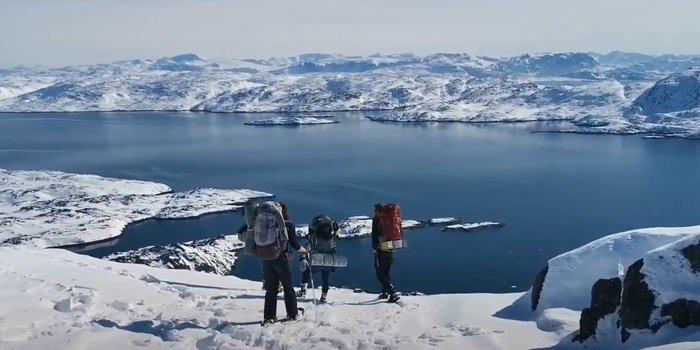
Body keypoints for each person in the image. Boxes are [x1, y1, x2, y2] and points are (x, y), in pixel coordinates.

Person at [251, 201, 310, 325]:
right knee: (288, 288)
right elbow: (295, 245)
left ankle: (269, 317)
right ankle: (293, 314)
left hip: (266, 259)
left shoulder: (259, 223)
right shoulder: (287, 225)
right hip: (282, 259)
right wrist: (304, 250)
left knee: (271, 290)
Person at [297, 214, 340, 303]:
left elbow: (309, 243)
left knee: (307, 271)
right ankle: (323, 297)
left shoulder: (314, 233)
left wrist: (303, 255)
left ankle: (303, 290)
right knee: (325, 278)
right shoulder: (332, 231)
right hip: (328, 257)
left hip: (316, 257)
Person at [237, 216, 281, 293]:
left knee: (266, 265)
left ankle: (267, 284)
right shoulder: (276, 222)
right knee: (278, 266)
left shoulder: (257, 223)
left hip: (262, 249)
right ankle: (277, 285)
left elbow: (241, 233)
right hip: (274, 249)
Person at [371, 203, 401, 303]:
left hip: (381, 248)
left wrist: (375, 247)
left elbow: (375, 235)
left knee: (379, 273)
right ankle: (385, 292)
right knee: (386, 271)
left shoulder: (377, 220)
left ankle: (392, 291)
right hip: (391, 246)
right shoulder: (391, 219)